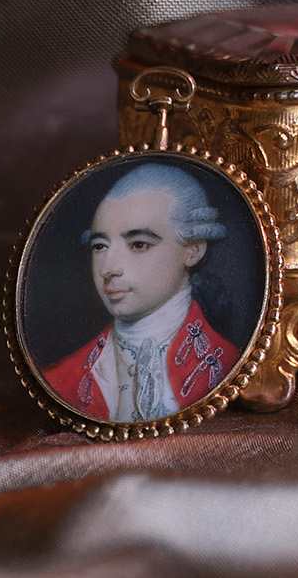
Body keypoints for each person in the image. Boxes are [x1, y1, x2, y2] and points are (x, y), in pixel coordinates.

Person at [41, 163, 240, 419]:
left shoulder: (230, 366)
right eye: (100, 246)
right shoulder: (60, 380)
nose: (109, 269)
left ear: (193, 250)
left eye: (138, 244)